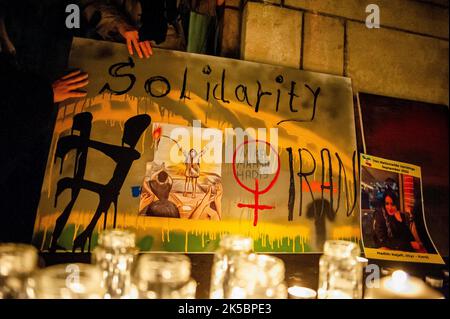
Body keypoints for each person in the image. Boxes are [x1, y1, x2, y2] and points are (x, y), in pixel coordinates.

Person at [373, 188, 425, 252]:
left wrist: (400, 222)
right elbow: (383, 240)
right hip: (386, 251)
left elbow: (408, 236)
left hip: (400, 251)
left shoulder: (401, 215)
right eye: (387, 203)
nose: (389, 207)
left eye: (392, 204)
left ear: (396, 204)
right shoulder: (380, 215)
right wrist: (408, 245)